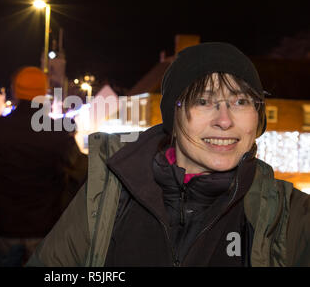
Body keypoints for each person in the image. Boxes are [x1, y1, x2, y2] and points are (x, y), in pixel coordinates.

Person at [26, 42, 310, 267]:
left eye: (240, 101)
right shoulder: (109, 195)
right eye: (203, 101)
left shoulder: (289, 215)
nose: (224, 120)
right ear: (172, 118)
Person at [0, 66, 87, 266]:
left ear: (15, 91)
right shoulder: (57, 133)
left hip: (6, 226)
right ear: (43, 93)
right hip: (45, 227)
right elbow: (81, 171)